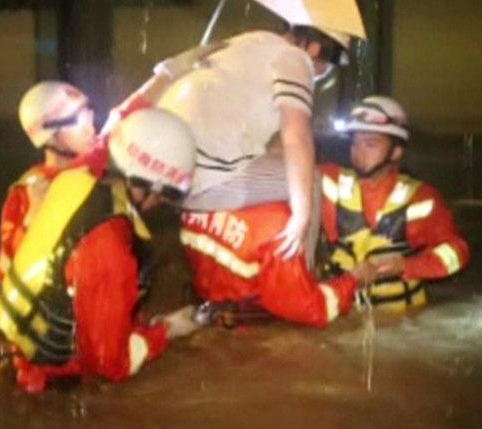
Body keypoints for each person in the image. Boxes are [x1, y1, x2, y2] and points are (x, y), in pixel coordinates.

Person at [118, 26, 385, 327]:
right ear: (315, 49)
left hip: (169, 174)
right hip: (211, 184)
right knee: (310, 178)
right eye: (332, 59)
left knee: (275, 153)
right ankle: (303, 276)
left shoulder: (244, 41)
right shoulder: (296, 60)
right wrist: (301, 214)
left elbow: (159, 83)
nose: (327, 71)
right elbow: (296, 135)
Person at [0, 108, 201, 393]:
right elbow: (109, 364)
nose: (161, 204)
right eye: (165, 194)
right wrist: (165, 331)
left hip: (26, 338)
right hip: (55, 378)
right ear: (145, 186)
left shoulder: (74, 179)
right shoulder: (109, 245)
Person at [320, 96, 470, 313]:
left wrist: (406, 266)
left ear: (396, 151)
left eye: (370, 143)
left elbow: (458, 253)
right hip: (342, 315)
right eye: (355, 142)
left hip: (400, 322)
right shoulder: (329, 180)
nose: (358, 151)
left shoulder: (421, 198)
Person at [0, 81, 96, 283]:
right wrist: (33, 217)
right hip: (54, 304)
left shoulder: (91, 171)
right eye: (79, 124)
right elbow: (7, 269)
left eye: (91, 120)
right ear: (49, 138)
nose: (91, 130)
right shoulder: (30, 191)